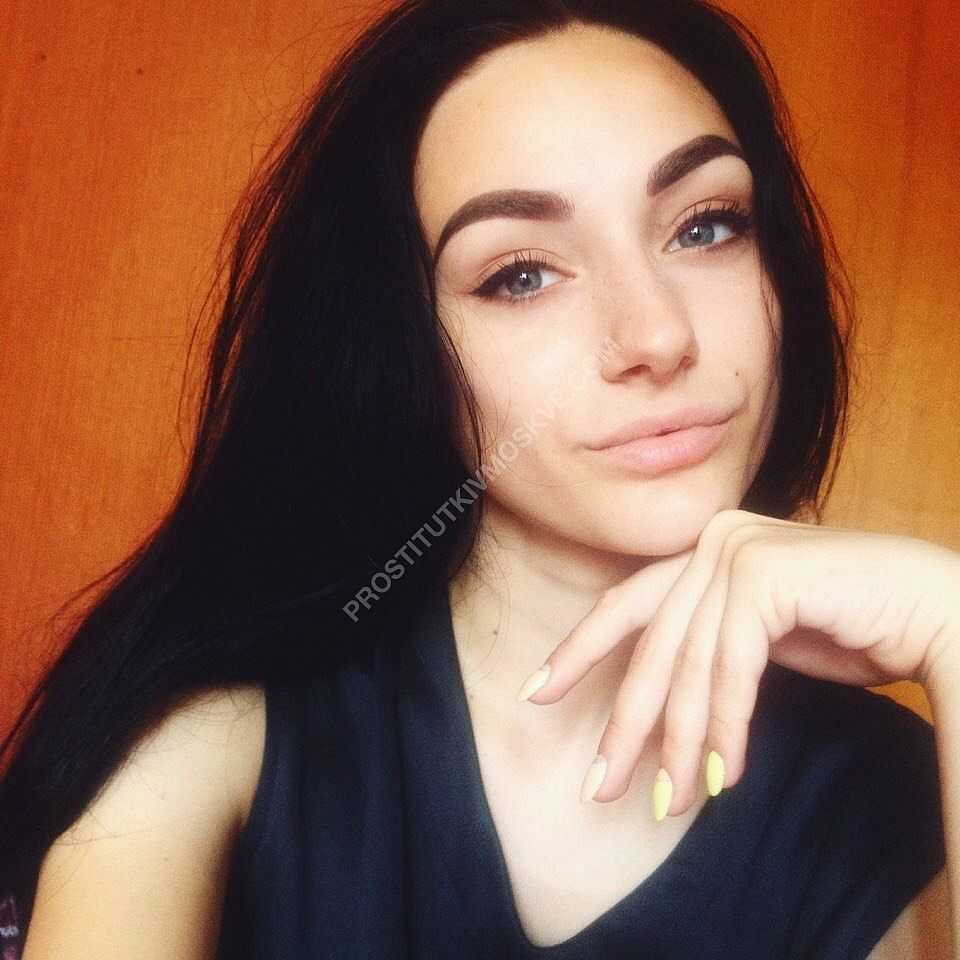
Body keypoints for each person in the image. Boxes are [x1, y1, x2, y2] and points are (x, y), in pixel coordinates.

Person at [1, 1, 957, 957]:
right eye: (521, 276)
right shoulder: (221, 729)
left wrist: (953, 626)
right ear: (402, 347)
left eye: (706, 226)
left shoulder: (897, 792)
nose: (658, 335)